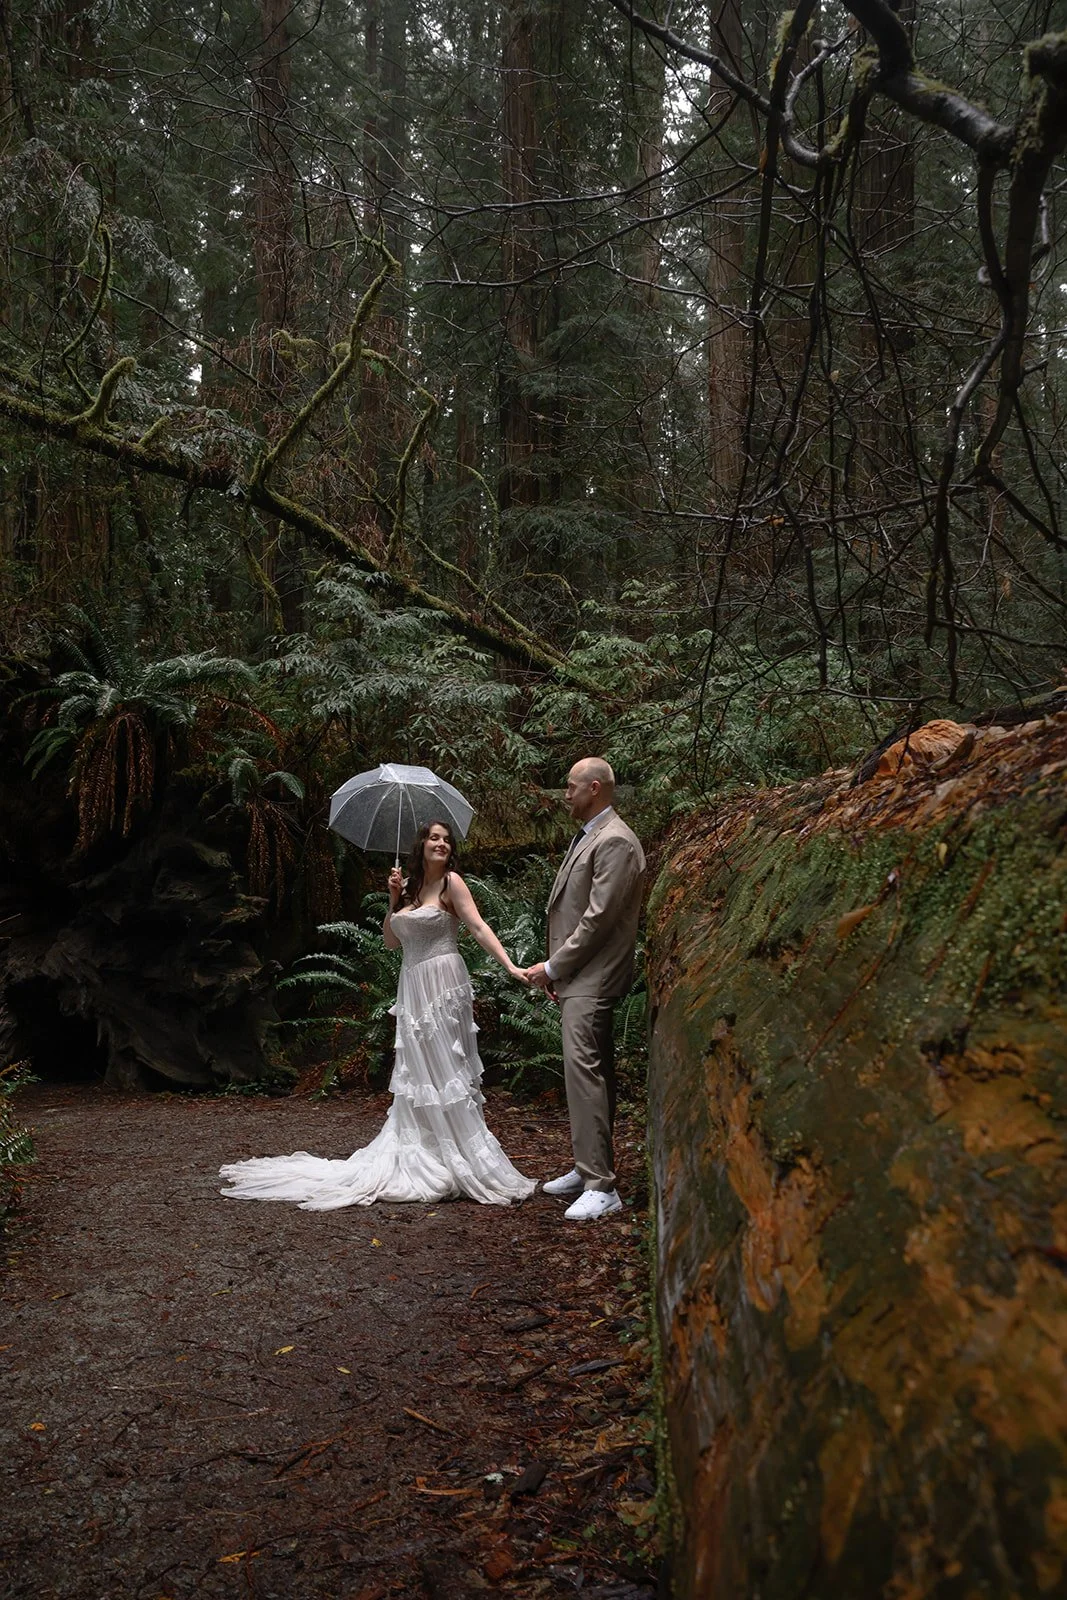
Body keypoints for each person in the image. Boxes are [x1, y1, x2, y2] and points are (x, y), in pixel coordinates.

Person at [220, 821, 536, 1209]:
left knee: (445, 1066)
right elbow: (391, 941)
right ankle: (422, 1149)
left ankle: (458, 1154)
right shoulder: (407, 889)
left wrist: (510, 966)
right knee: (418, 1070)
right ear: (421, 845)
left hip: (443, 982)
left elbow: (478, 926)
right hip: (412, 984)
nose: (441, 844)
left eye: (446, 840)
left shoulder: (453, 883)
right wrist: (392, 899)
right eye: (434, 838)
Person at [525, 758, 645, 1221]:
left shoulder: (615, 840)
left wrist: (554, 968)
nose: (565, 794)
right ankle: (589, 1167)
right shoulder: (593, 834)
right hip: (582, 976)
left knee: (586, 1074)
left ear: (594, 788)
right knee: (589, 1076)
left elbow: (597, 921)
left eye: (571, 786)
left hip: (595, 975)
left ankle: (601, 1185)